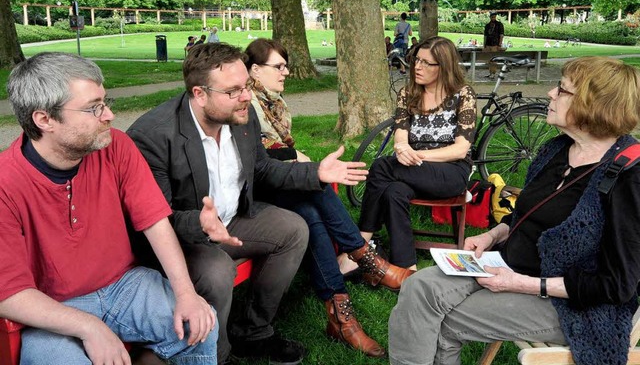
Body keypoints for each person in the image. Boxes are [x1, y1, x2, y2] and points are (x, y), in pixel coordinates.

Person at [127, 42, 371, 365]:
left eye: (246, 87)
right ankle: (219, 353)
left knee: (294, 229)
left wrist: (317, 173)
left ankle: (253, 331)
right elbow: (155, 220)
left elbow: (263, 169)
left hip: (233, 220)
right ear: (199, 94)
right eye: (233, 91)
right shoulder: (154, 136)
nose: (246, 97)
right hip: (187, 239)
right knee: (217, 271)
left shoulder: (242, 115)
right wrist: (201, 224)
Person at [388, 56, 640, 365]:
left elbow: (616, 286)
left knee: (449, 319)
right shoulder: (556, 149)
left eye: (562, 90)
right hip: (506, 262)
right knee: (419, 286)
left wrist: (519, 284)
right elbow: (526, 214)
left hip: (571, 302)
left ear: (593, 105)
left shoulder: (628, 176)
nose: (550, 93)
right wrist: (493, 235)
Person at [0, 52, 217, 364]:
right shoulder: (6, 182)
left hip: (124, 284)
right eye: (93, 108)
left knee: (201, 322)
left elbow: (155, 222)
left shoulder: (116, 145)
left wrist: (186, 294)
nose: (109, 115)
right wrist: (89, 326)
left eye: (105, 101)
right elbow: (7, 293)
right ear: (44, 119)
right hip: (52, 307)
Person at [245, 38, 413, 357]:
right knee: (311, 197)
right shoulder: (247, 103)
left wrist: (295, 159)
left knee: (310, 210)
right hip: (255, 191)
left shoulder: (271, 102)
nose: (286, 72)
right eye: (278, 67)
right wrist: (295, 154)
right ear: (254, 70)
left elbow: (274, 152)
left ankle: (341, 316)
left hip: (278, 183)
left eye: (286, 66)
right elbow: (261, 156)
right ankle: (367, 261)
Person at [356, 36, 477, 270]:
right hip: (412, 169)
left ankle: (360, 244)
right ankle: (406, 268)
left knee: (382, 166)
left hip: (450, 172)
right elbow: (401, 134)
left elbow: (461, 149)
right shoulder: (408, 93)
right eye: (416, 60)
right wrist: (402, 148)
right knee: (393, 190)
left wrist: (417, 156)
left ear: (444, 67)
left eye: (425, 63)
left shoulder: (463, 94)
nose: (417, 67)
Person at [483, 11, 505, 79]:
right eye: (492, 16)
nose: (493, 18)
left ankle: (493, 74)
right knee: (489, 60)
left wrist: (499, 44)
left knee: (494, 60)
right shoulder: (487, 25)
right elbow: (485, 36)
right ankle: (490, 73)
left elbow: (501, 35)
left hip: (495, 44)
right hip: (488, 44)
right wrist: (484, 44)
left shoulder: (499, 25)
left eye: (494, 16)